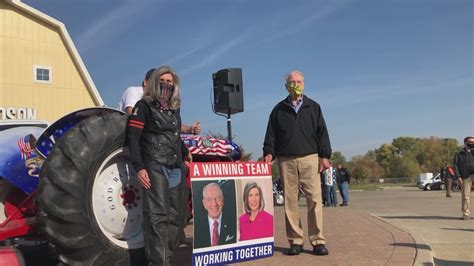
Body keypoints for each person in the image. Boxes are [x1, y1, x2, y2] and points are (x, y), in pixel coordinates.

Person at [126, 65, 192, 265]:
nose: (167, 84)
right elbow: (133, 138)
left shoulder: (174, 109)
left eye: (170, 82)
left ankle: (166, 259)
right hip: (155, 165)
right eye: (163, 80)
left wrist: (184, 152)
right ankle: (158, 262)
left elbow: (174, 135)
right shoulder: (143, 106)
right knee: (158, 217)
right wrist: (140, 167)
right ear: (155, 82)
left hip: (175, 167)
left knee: (177, 216)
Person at [263, 70, 331, 256]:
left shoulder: (313, 107)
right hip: (286, 160)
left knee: (315, 200)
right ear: (286, 86)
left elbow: (322, 132)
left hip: (310, 157)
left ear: (304, 83)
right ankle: (295, 240)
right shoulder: (278, 109)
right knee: (290, 201)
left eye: (299, 81)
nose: (296, 84)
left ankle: (318, 241)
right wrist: (269, 152)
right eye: (292, 81)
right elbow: (271, 134)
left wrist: (324, 156)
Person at [118, 68, 202, 134]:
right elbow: (132, 116)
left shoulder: (158, 103)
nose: (162, 84)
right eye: (159, 81)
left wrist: (190, 129)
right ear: (145, 82)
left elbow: (167, 125)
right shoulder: (133, 91)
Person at [194, 182, 237, 248]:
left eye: (217, 198)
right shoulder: (197, 227)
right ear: (204, 204)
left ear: (222, 200)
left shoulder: (234, 223)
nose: (214, 204)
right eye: (209, 199)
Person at [453, 136, 474, 220]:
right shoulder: (459, 153)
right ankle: (466, 213)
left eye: (473, 142)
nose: (472, 144)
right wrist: (458, 176)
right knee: (466, 196)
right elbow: (455, 165)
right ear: (465, 143)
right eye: (470, 142)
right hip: (465, 176)